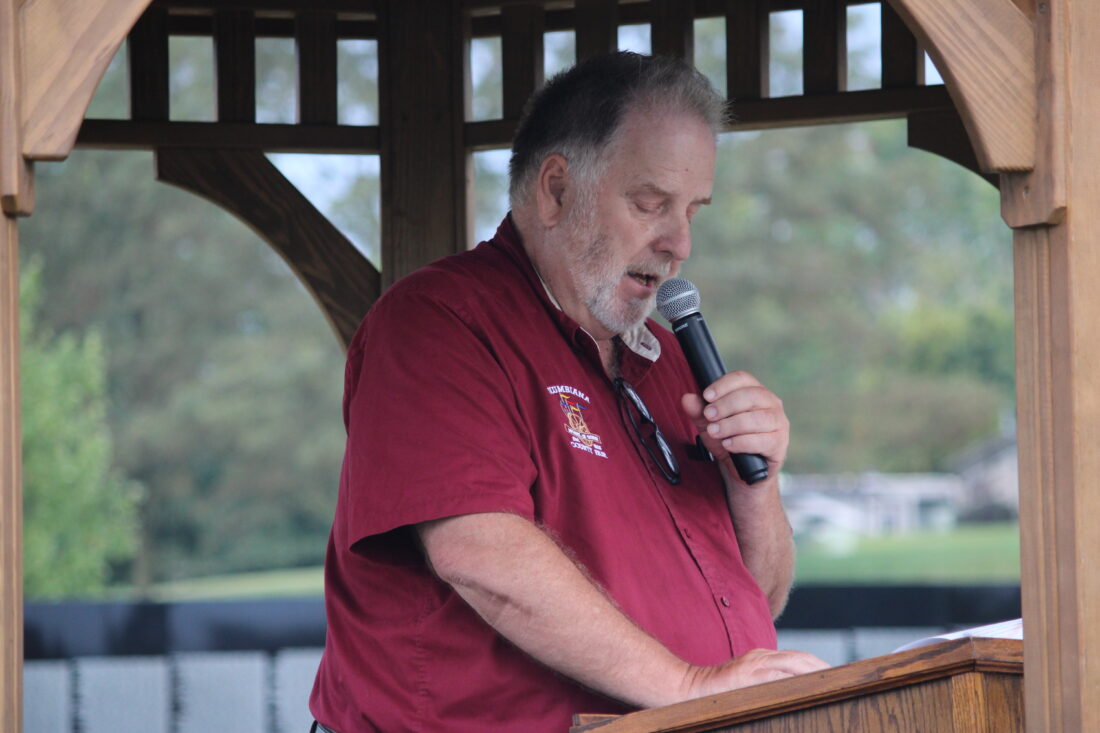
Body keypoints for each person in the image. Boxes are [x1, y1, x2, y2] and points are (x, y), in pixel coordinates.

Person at [308, 51, 828, 733]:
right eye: (651, 204)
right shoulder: (439, 322)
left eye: (693, 211)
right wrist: (686, 686)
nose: (679, 243)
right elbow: (480, 551)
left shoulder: (671, 358)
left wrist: (754, 485)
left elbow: (757, 597)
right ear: (556, 190)